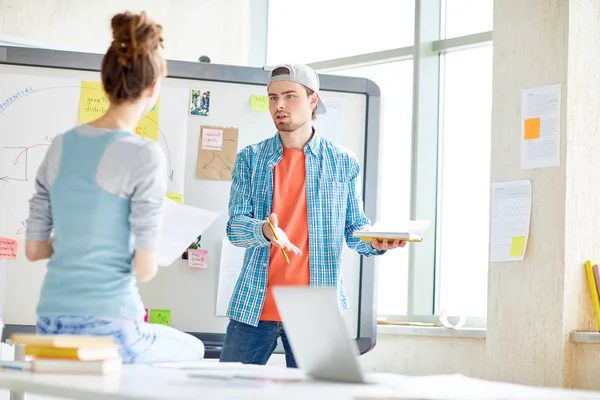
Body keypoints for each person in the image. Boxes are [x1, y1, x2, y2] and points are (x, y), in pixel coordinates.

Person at [25, 11, 205, 364]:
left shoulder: (60, 144)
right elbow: (145, 269)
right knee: (194, 350)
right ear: (153, 88)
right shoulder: (143, 154)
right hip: (110, 325)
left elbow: (34, 250)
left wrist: (73, 242)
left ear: (105, 82)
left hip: (49, 322)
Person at [219, 63, 406, 367]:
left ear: (313, 100)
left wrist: (376, 243)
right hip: (255, 306)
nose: (278, 105)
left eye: (289, 96)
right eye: (272, 97)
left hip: (316, 310)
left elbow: (354, 228)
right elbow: (235, 228)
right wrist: (264, 231)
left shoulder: (342, 161)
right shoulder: (250, 159)